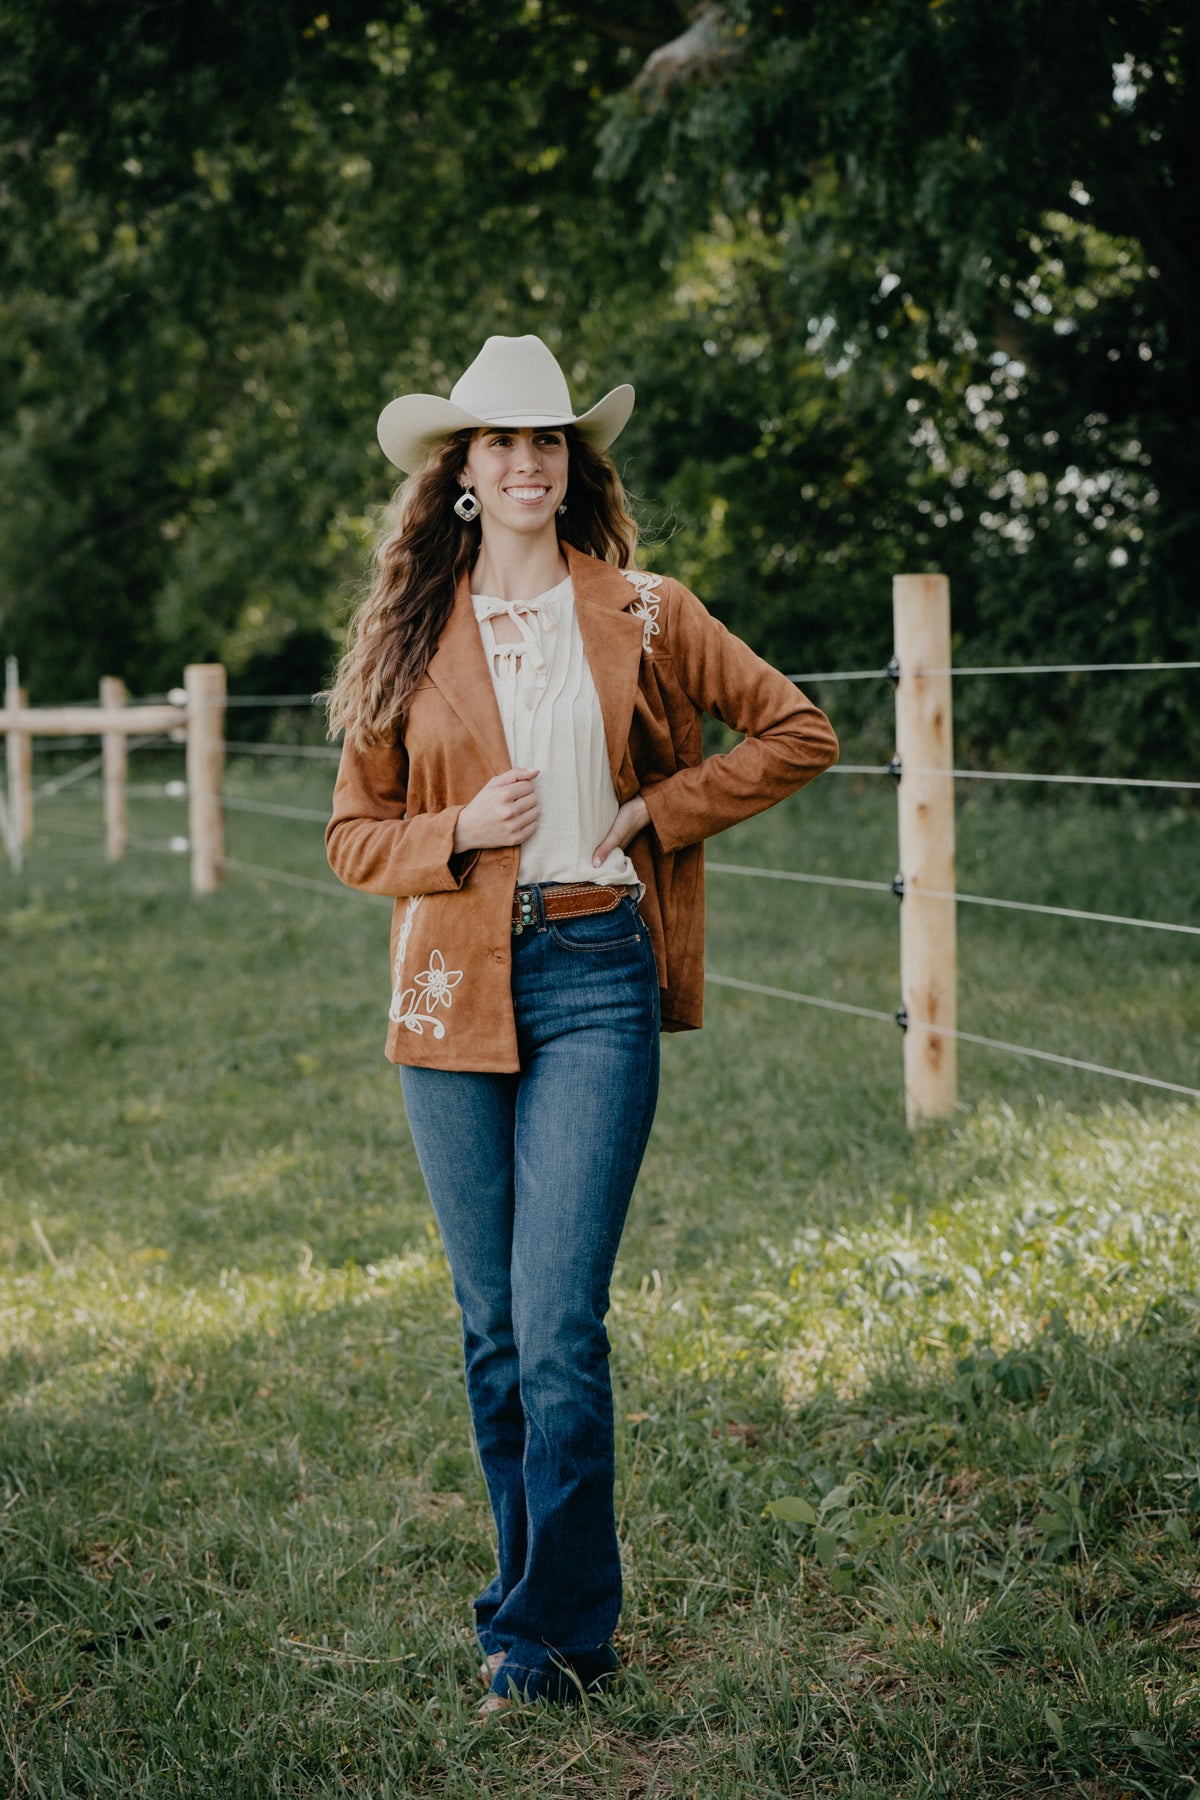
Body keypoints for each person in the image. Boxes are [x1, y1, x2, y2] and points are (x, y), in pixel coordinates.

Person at [325, 334, 838, 1714]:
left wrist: (658, 812)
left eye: (548, 440)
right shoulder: (408, 636)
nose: (527, 460)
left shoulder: (648, 610)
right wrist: (454, 831)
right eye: (500, 443)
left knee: (557, 1325)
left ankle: (553, 1640)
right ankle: (527, 1609)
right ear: (462, 477)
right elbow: (351, 837)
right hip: (447, 983)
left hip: (596, 967)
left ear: (571, 466)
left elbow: (796, 729)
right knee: (489, 1328)